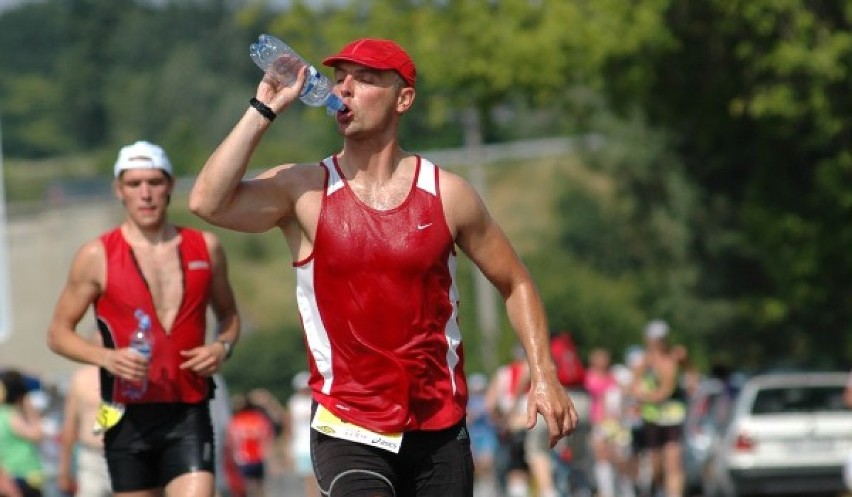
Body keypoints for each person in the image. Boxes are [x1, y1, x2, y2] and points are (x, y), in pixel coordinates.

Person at [188, 37, 578, 497]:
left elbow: (516, 283)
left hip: (439, 425)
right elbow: (206, 201)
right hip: (347, 425)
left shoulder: (447, 194)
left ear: (403, 98)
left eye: (366, 79)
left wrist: (544, 373)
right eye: (339, 79)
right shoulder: (306, 189)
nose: (345, 89)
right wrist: (263, 107)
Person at [46, 140, 241, 497]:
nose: (146, 194)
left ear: (169, 186)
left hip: (189, 410)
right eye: (134, 184)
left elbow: (229, 315)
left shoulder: (206, 247)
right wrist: (106, 357)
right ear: (119, 190)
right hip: (127, 416)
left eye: (154, 182)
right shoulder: (96, 255)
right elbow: (58, 333)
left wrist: (222, 346)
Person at [632, 320, 686, 497]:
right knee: (656, 466)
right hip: (653, 418)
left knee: (673, 462)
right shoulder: (643, 361)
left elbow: (668, 386)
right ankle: (656, 490)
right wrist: (643, 394)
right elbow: (634, 386)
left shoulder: (675, 357)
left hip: (672, 418)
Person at [57, 333, 112, 497]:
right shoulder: (81, 378)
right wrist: (64, 470)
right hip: (92, 456)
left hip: (126, 456)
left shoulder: (130, 374)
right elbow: (69, 426)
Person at [0, 370, 44, 497]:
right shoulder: (10, 414)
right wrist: (31, 410)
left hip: (8, 474)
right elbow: (37, 434)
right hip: (23, 474)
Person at [225, 395, 276, 497]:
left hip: (243, 458)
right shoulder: (259, 418)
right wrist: (271, 459)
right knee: (260, 486)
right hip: (258, 457)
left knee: (248, 487)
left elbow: (230, 441)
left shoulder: (236, 420)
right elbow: (267, 438)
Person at [286, 372, 319, 497]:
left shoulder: (316, 400)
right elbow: (289, 428)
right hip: (300, 447)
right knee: (307, 480)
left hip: (316, 444)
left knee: (317, 479)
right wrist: (288, 449)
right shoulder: (293, 403)